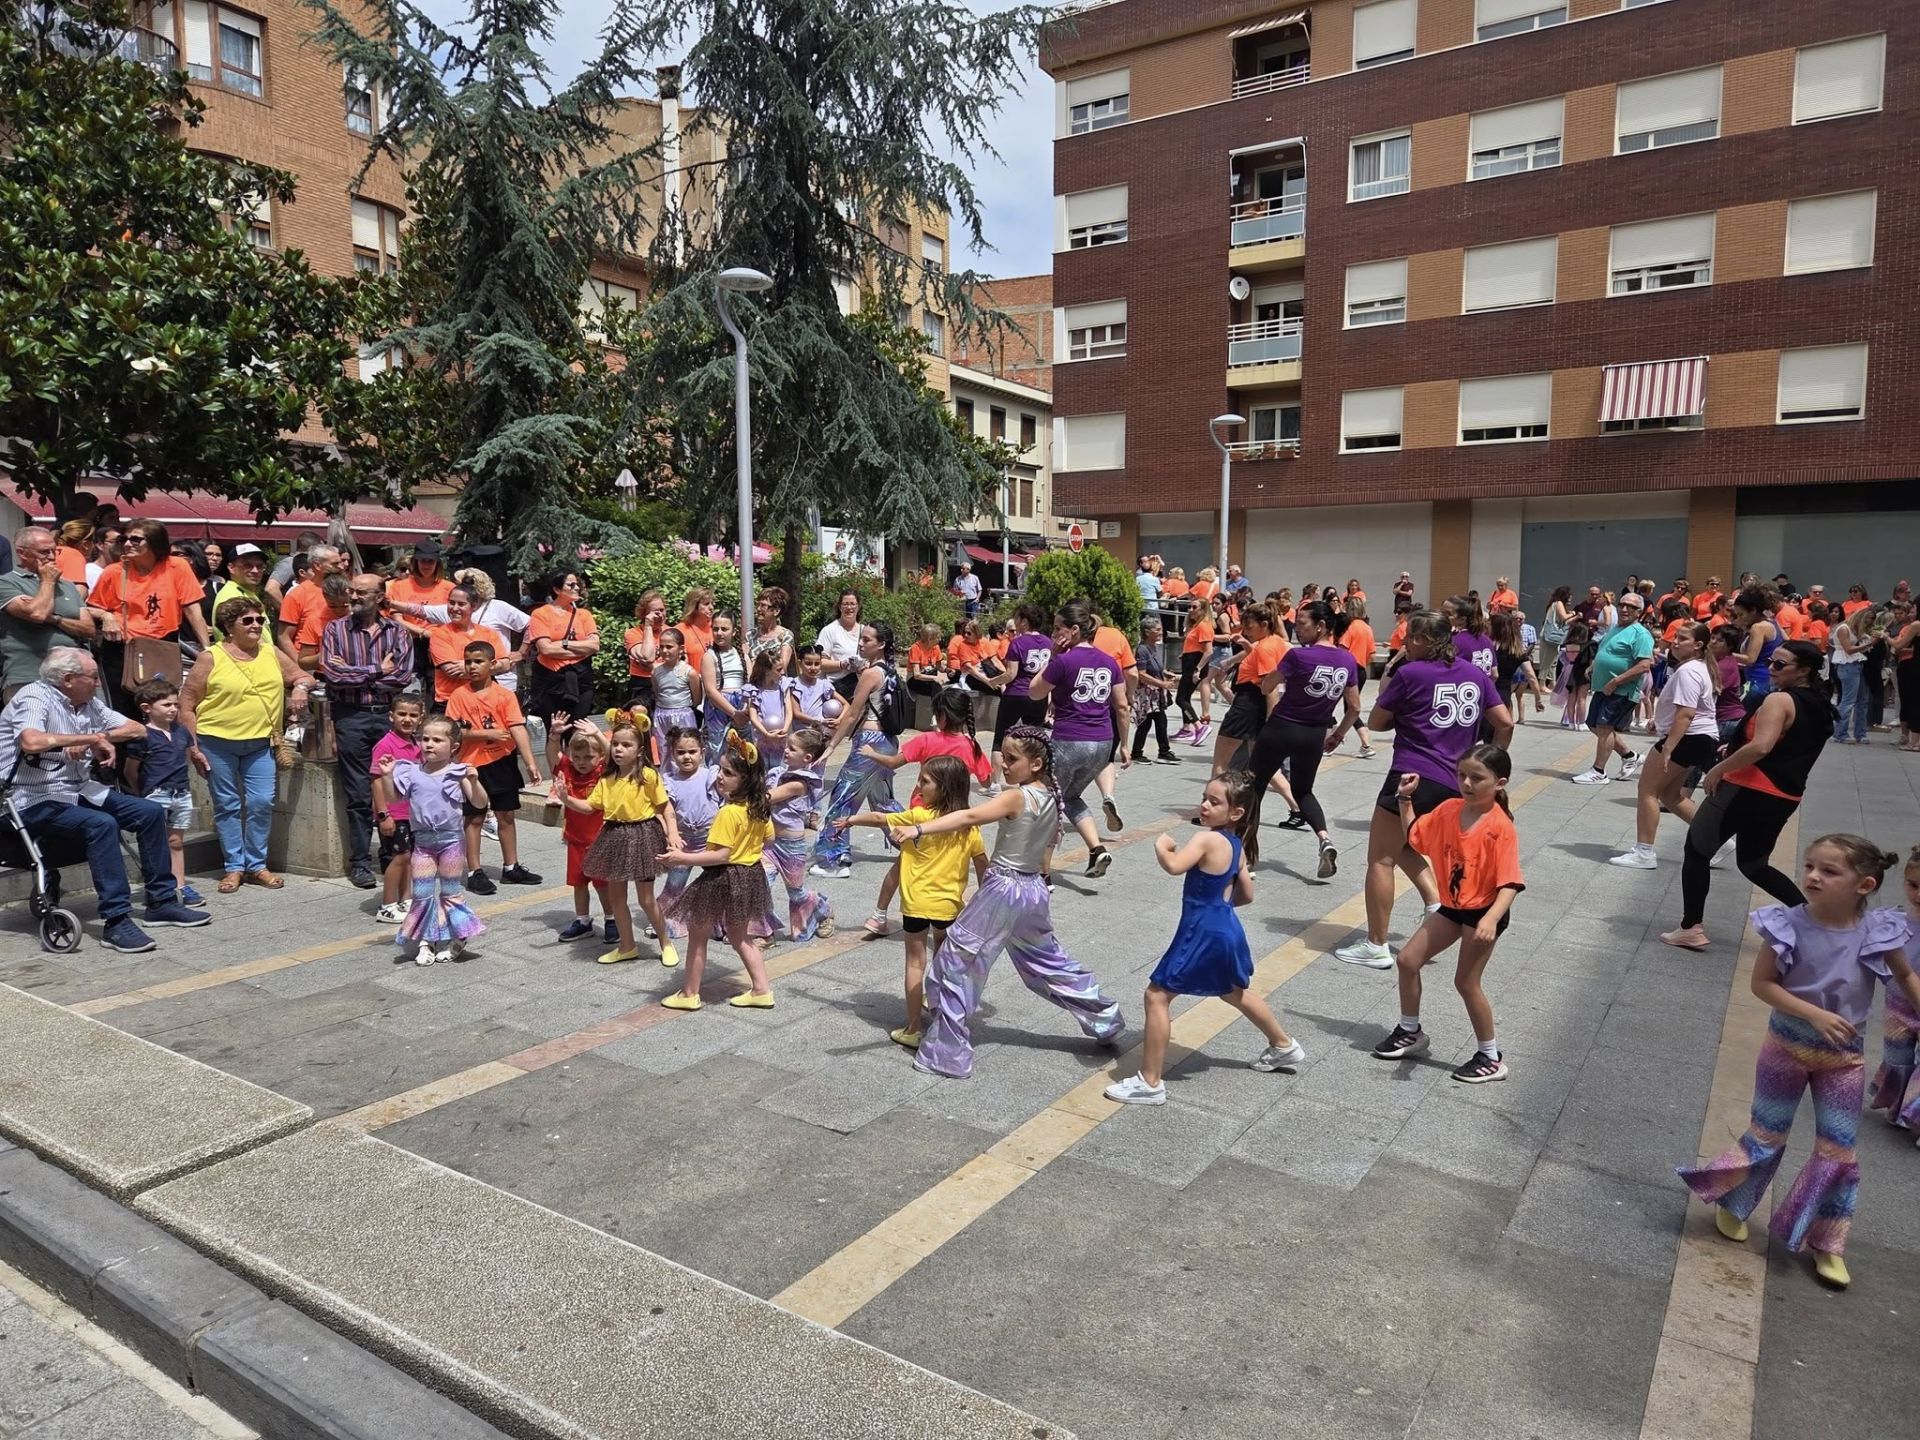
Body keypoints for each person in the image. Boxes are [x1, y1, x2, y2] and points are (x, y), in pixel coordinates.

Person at [1678, 836, 1918, 1291]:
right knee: (1767, 1134)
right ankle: (1734, 1201)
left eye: (1829, 871)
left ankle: (1828, 1240)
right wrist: (1813, 1013)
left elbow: (1904, 975)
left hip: (1844, 1060)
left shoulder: (1879, 930)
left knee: (1840, 1149)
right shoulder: (1786, 924)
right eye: (1810, 866)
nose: (1812, 876)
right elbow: (1762, 984)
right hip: (1784, 1048)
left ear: (1864, 884)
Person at [892, 725, 1126, 1079]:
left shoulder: (1018, 796)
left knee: (957, 962)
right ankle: (1104, 1018)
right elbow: (1045, 850)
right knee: (1047, 963)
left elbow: (971, 816)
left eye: (1012, 759)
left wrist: (919, 829)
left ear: (1035, 764)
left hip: (1004, 889)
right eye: (1003, 756)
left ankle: (947, 1053)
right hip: (1033, 890)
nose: (1004, 764)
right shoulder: (1052, 796)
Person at [1104, 772, 1305, 1106]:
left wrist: (1162, 845)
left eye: (1215, 801)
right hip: (1226, 928)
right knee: (1233, 992)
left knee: (1156, 996)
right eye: (1205, 798)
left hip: (1201, 931)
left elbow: (1174, 865)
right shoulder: (1237, 844)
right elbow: (1246, 895)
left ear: (1236, 812)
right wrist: (1218, 904)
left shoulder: (1205, 839)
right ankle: (1284, 1045)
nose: (1205, 805)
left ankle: (1150, 1081)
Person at [1335, 612, 1511, 970]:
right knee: (1405, 843)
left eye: (1410, 639)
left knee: (1381, 858)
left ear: (1425, 641)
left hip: (1412, 773)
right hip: (1454, 779)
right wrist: (1490, 766)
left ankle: (1376, 943)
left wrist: (1407, 710)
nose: (1404, 644)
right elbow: (1504, 722)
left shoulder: (1411, 673)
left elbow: (1376, 722)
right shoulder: (1474, 673)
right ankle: (1433, 900)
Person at [0, 651, 208, 951]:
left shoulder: (88, 703)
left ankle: (161, 901)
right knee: (102, 824)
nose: (99, 683)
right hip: (31, 798)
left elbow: (137, 729)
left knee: (149, 812)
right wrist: (85, 741)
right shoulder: (34, 698)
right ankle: (117, 920)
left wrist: (98, 736)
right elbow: (32, 741)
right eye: (93, 677)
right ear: (68, 679)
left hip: (80, 789)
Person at [1661, 640, 1833, 951]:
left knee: (1697, 850)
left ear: (1804, 670)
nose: (1771, 669)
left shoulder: (1780, 700)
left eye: (1780, 665)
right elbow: (1782, 745)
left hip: (1747, 786)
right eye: (1772, 662)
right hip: (1785, 795)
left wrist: (1718, 770)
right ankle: (1815, 922)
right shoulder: (1819, 703)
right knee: (1754, 864)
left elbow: (1761, 746)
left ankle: (1690, 927)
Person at [1369, 746, 1523, 1084]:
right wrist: (1405, 800)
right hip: (1454, 906)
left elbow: (1510, 883)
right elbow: (1416, 837)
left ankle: (1491, 1056)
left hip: (1484, 910)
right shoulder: (1450, 809)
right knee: (1408, 960)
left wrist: (1489, 919)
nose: (1466, 783)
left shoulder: (1500, 827)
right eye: (1461, 775)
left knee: (1466, 982)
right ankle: (1411, 1032)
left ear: (1500, 783)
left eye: (1476, 778)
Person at [843, 754, 984, 1048]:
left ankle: (912, 1029)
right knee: (946, 964)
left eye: (925, 781)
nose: (918, 786)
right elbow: (984, 867)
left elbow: (881, 818)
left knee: (914, 963)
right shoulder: (969, 827)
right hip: (949, 907)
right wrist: (985, 905)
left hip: (916, 905)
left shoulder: (920, 818)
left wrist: (852, 819)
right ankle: (946, 1020)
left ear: (943, 788)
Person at [179, 596, 313, 892]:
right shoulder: (210, 657)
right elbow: (186, 705)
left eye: (260, 620)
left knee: (261, 803)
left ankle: (257, 865)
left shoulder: (271, 652)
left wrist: (301, 687)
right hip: (217, 742)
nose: (256, 625)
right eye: (248, 620)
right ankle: (234, 868)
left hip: (260, 743)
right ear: (229, 626)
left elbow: (302, 676)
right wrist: (193, 746)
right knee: (227, 805)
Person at [847, 687, 992, 936]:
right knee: (951, 861)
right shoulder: (972, 746)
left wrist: (872, 753)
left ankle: (879, 915)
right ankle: (950, 908)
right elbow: (988, 780)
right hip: (956, 815)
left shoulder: (927, 740)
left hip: (921, 812)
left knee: (905, 862)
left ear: (942, 716)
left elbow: (894, 762)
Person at [1244, 600, 1362, 881]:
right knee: (1304, 791)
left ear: (1321, 626)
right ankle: (1324, 839)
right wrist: (1338, 735)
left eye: (1302, 624)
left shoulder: (1298, 656)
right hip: (1314, 734)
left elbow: (1266, 685)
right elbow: (1355, 707)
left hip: (1282, 727)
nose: (1297, 629)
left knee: (1254, 787)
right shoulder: (1348, 660)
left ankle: (1246, 856)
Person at [660, 732, 779, 1008]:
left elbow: (721, 855)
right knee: (740, 935)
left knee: (698, 933)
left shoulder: (728, 812)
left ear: (745, 779)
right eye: (721, 770)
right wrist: (747, 847)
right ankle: (762, 990)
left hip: (723, 877)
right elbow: (769, 838)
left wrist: (682, 857)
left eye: (728, 772)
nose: (720, 776)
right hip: (750, 875)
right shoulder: (758, 806)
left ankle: (689, 994)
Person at [562, 710, 679, 967]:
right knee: (616, 898)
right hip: (613, 835)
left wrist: (672, 834)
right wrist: (566, 799)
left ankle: (666, 943)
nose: (618, 749)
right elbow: (590, 807)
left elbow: (665, 807)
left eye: (626, 745)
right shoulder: (607, 779)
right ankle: (627, 946)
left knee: (646, 898)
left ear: (639, 750)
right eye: (615, 744)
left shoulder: (648, 776)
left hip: (643, 834)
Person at [320, 574, 415, 889]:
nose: (353, 596)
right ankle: (360, 862)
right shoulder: (335, 630)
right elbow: (332, 675)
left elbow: (401, 677)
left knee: (394, 789)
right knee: (359, 793)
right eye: (352, 590)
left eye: (361, 592)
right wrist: (376, 670)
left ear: (379, 596)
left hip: (389, 718)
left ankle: (391, 856)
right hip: (352, 717)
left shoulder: (397, 632)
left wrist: (353, 671)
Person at [376, 716, 488, 965]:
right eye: (425, 739)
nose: (429, 744)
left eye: (437, 740)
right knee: (422, 894)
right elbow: (394, 799)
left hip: (451, 841)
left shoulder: (458, 773)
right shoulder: (411, 771)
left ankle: (459, 937)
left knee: (450, 892)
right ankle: (427, 942)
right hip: (423, 843)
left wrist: (474, 780)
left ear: (453, 746)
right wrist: (387, 775)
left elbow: (480, 803)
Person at [1027, 601, 1127, 880]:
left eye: (1058, 628)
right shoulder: (1109, 662)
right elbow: (1122, 706)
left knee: (1049, 803)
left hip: (1070, 739)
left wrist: (1052, 655)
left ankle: (1042, 873)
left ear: (1073, 630)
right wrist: (1126, 745)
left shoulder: (1063, 661)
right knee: (1070, 797)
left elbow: (1034, 692)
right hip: (1103, 741)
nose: (1054, 633)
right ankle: (1096, 849)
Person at [1608, 622, 1717, 870]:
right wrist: (1661, 722)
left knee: (1648, 791)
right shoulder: (1696, 668)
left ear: (1698, 645)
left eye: (1683, 639)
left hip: (1688, 738)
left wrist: (1668, 746)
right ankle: (1719, 842)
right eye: (1675, 637)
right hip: (1699, 738)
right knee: (1670, 796)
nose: (1675, 642)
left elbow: (1687, 714)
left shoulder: (1689, 670)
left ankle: (1644, 852)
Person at [445, 639, 543, 894]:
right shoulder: (458, 695)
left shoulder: (504, 695)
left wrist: (531, 763)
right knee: (474, 817)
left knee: (506, 814)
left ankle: (511, 867)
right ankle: (474, 870)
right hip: (471, 765)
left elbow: (517, 728)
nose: (472, 667)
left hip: (502, 760)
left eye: (478, 661)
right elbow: (453, 732)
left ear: (492, 664)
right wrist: (480, 735)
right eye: (468, 662)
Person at [85, 519, 213, 708]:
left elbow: (193, 611)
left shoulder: (177, 566)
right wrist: (106, 616)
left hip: (162, 644)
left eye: (135, 539)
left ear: (154, 542)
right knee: (124, 709)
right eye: (124, 539)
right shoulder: (114, 571)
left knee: (162, 706)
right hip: (122, 647)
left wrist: (206, 649)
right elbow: (89, 607)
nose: (128, 544)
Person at [809, 622, 903, 879]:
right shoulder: (890, 670)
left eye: (868, 640)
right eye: (861, 639)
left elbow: (851, 714)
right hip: (887, 740)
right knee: (882, 799)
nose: (861, 644)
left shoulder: (871, 673)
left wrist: (831, 746)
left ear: (881, 644)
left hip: (869, 741)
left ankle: (834, 858)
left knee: (842, 797)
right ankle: (915, 840)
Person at [123, 677, 208, 907]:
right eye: (166, 705)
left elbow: (186, 757)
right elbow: (131, 770)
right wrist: (142, 793)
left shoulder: (181, 732)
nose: (173, 709)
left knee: (176, 841)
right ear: (147, 708)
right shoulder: (142, 736)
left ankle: (180, 885)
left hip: (181, 792)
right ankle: (159, 885)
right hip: (155, 793)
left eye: (175, 705)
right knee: (155, 843)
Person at [0, 527, 94, 702]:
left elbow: (88, 628)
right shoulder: (6, 583)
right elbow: (38, 613)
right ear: (22, 553)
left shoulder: (68, 586)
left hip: (75, 680)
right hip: (29, 677)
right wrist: (48, 580)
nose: (51, 557)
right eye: (44, 552)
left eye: (54, 551)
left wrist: (55, 619)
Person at [1571, 591, 1653, 785]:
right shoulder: (1616, 628)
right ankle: (1629, 755)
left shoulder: (1641, 634)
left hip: (1621, 689)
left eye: (1630, 607)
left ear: (1638, 611)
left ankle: (1599, 771)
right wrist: (1594, 666)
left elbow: (1643, 665)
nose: (1624, 609)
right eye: (1622, 605)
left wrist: (1616, 681)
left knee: (1604, 726)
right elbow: (1605, 650)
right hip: (1603, 687)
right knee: (1593, 725)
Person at [523, 570, 600, 776]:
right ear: (557, 589)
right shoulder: (541, 614)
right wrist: (577, 647)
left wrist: (563, 644)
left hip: (580, 679)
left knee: (577, 730)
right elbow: (545, 649)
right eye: (571, 585)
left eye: (577, 585)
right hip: (551, 679)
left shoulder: (584, 615)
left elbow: (594, 645)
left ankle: (575, 777)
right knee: (556, 731)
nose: (576, 588)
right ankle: (558, 778)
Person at [762, 727, 835, 943]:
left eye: (791, 749)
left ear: (807, 758)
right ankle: (764, 933)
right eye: (786, 747)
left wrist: (742, 791)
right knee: (761, 885)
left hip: (792, 848)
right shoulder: (777, 773)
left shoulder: (799, 783)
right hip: (769, 844)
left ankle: (823, 908)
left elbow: (767, 798)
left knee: (797, 893)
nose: (786, 751)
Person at [548, 722, 618, 945]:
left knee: (602, 883)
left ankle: (611, 919)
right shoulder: (567, 769)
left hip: (600, 840)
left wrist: (597, 733)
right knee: (578, 882)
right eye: (576, 757)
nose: (581, 762)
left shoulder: (603, 772)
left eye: (588, 757)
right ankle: (582, 920)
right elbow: (553, 755)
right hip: (575, 839)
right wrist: (554, 736)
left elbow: (613, 756)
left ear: (599, 757)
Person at [1867, 846, 1920, 1133]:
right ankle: (1899, 1106)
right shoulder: (1894, 922)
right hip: (1898, 1006)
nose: (1918, 895)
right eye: (1913, 885)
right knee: (1896, 1059)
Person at [1208, 602, 1286, 778]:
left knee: (1221, 764)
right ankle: (1294, 802)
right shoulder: (1276, 642)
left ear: (1264, 625)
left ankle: (1210, 801)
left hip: (1247, 705)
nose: (1246, 632)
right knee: (1262, 767)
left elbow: (1269, 686)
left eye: (1250, 627)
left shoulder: (1265, 647)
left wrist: (1271, 720)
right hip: (1255, 706)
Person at [655, 726, 718, 942]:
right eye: (681, 752)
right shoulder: (669, 781)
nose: (687, 757)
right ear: (672, 754)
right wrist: (668, 835)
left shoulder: (711, 774)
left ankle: (720, 921)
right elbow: (665, 811)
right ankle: (663, 920)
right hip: (682, 840)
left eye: (692, 751)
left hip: (711, 839)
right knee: (674, 885)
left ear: (702, 751)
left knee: (718, 881)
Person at [370, 694, 426, 925]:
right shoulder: (386, 745)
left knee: (409, 858)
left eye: (413, 715)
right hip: (394, 813)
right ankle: (388, 904)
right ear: (391, 716)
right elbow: (376, 780)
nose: (407, 719)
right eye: (402, 714)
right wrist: (384, 814)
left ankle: (406, 898)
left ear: (421, 719)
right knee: (399, 857)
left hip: (411, 813)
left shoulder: (417, 745)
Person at [989, 604, 1052, 790]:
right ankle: (1034, 780)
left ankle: (994, 784)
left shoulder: (1017, 642)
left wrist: (994, 681)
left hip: (1016, 693)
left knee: (1000, 738)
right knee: (1035, 739)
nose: (1015, 623)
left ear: (1024, 621)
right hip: (1039, 695)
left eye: (1017, 618)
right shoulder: (1049, 643)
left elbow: (1010, 674)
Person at [274, 543, 344, 664]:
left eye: (340, 562)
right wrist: (301, 666)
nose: (342, 567)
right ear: (317, 565)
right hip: (312, 667)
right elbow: (284, 637)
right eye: (335, 564)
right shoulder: (297, 594)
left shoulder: (345, 589)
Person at [699, 613, 750, 763]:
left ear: (734, 631)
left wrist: (745, 709)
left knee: (743, 753)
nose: (719, 633)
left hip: (742, 706)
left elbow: (751, 686)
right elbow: (710, 690)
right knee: (718, 751)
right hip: (719, 708)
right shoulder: (709, 656)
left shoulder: (742, 655)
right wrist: (734, 713)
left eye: (724, 629)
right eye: (715, 629)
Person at [1128, 615, 1179, 764]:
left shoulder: (1154, 648)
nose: (1160, 632)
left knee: (1157, 721)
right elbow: (1141, 674)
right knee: (1148, 722)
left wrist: (1165, 674)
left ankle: (1160, 751)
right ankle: (1144, 752)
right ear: (1147, 632)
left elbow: (1154, 668)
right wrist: (1162, 684)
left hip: (1155, 694)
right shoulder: (1142, 650)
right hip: (1147, 694)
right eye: (1157, 630)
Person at [1828, 604, 1871, 744]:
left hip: (1856, 664)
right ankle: (1840, 733)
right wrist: (1869, 644)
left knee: (1862, 700)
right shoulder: (1843, 629)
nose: (1867, 623)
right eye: (1866, 620)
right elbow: (1849, 649)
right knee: (1848, 701)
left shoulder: (1853, 629)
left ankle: (1860, 733)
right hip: (1847, 665)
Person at [649, 628, 702, 735]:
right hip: (661, 715)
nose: (664, 651)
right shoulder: (656, 672)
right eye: (661, 646)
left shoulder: (689, 672)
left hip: (683, 715)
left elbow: (696, 699)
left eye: (669, 647)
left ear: (681, 648)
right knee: (663, 749)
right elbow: (657, 693)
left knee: (684, 745)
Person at [622, 589, 669, 709]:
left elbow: (681, 664)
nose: (660, 614)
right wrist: (648, 627)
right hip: (642, 687)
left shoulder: (671, 633)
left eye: (662, 610)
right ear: (644, 614)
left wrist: (653, 667)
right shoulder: (633, 633)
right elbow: (648, 657)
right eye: (655, 611)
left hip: (667, 684)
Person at [815, 589, 864, 699]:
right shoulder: (829, 631)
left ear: (858, 606)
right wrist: (842, 664)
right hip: (837, 692)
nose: (849, 608)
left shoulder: (865, 631)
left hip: (861, 689)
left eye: (852, 604)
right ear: (839, 606)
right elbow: (820, 663)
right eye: (845, 604)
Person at [211, 542, 270, 629]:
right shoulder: (231, 597)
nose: (255, 571)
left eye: (259, 566)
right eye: (247, 565)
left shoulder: (246, 592)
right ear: (231, 568)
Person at [749, 586, 794, 676]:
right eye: (758, 604)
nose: (758, 609)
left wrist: (755, 664)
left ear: (776, 611)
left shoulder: (785, 635)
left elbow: (782, 667)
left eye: (763, 606)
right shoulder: (750, 635)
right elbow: (744, 664)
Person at [676, 588, 716, 680]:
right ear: (694, 607)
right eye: (706, 604)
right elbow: (676, 667)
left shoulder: (716, 628)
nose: (711, 607)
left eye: (712, 604)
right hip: (691, 685)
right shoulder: (680, 630)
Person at [905, 623, 947, 703]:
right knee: (934, 689)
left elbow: (939, 666)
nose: (940, 639)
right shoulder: (915, 648)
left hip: (930, 677)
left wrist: (948, 670)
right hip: (915, 679)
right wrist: (934, 678)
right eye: (938, 637)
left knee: (939, 689)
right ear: (930, 639)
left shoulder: (936, 647)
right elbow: (917, 675)